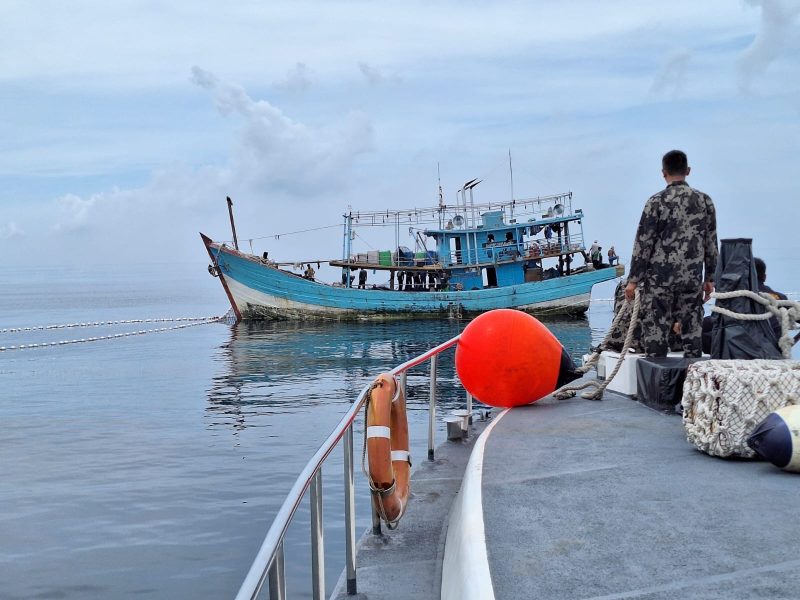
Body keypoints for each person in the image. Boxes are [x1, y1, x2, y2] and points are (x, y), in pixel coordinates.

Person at [625, 149, 718, 357]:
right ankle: (694, 381)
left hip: (660, 279)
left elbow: (643, 244)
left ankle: (657, 382)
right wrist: (710, 277)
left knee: (656, 329)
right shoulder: (704, 201)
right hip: (691, 277)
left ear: (663, 172)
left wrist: (633, 281)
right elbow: (711, 242)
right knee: (692, 330)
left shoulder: (655, 202)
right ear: (688, 170)